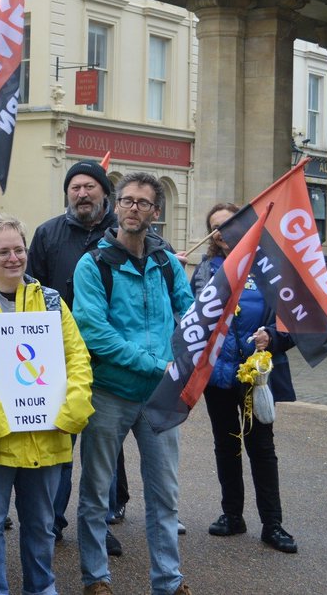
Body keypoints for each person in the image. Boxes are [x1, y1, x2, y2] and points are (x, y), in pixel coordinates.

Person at [0, 214, 94, 595]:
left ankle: (41, 590)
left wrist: (73, 410)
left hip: (47, 437)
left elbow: (77, 359)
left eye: (19, 249)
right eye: (2, 251)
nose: (13, 258)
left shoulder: (51, 302)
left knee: (41, 526)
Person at [72, 172, 194, 595]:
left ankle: (169, 581)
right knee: (95, 492)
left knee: (165, 496)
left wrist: (205, 331)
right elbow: (94, 333)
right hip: (109, 392)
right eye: (126, 200)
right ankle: (96, 578)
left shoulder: (166, 262)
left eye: (143, 203)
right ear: (115, 206)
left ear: (155, 213)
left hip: (159, 397)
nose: (133, 208)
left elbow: (190, 314)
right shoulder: (94, 264)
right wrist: (157, 365)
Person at [25, 160, 120, 547]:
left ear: (104, 192)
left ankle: (99, 527)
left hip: (110, 359)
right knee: (59, 443)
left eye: (89, 187)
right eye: (75, 187)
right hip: (58, 356)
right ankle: (52, 521)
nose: (82, 193)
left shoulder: (121, 235)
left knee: (104, 450)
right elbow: (31, 291)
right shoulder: (48, 233)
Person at [194, 203, 298, 553]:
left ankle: (273, 525)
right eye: (215, 227)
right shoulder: (206, 268)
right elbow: (191, 315)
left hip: (256, 376)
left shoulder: (270, 268)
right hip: (218, 377)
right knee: (226, 447)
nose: (222, 232)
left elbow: (292, 323)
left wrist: (272, 335)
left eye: (227, 224)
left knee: (262, 450)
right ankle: (232, 516)